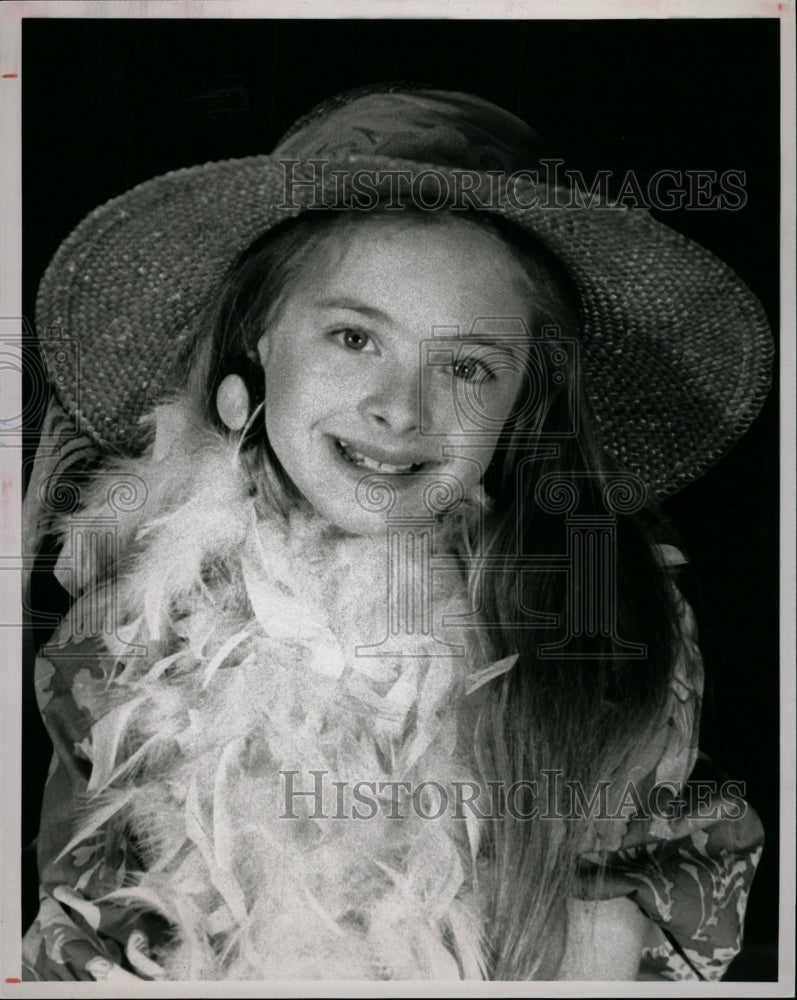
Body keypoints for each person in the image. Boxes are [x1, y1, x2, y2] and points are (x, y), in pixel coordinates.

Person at [21, 85, 771, 982]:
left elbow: (694, 876)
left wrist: (596, 943)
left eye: (464, 366)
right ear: (258, 333)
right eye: (353, 337)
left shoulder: (603, 628)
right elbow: (82, 939)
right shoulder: (127, 636)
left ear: (525, 395)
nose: (399, 411)